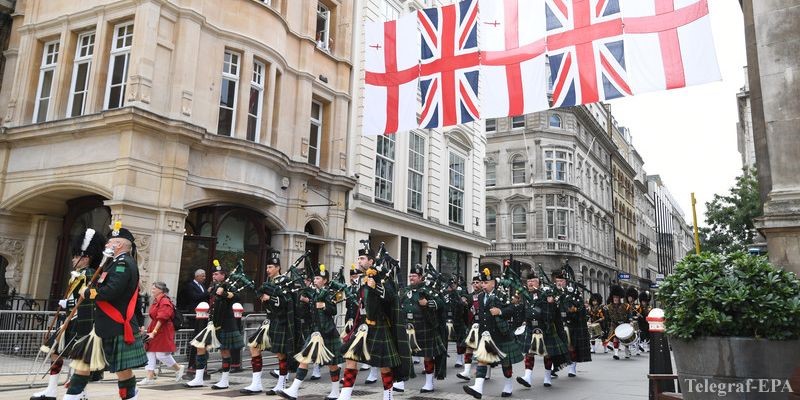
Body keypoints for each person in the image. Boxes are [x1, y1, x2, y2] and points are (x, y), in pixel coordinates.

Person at [73, 224, 147, 400]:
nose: (106, 245)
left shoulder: (123, 263)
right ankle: (73, 395)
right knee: (84, 361)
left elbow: (112, 290)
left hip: (115, 323)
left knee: (122, 369)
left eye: (109, 242)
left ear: (118, 245)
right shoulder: (113, 263)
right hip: (104, 323)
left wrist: (89, 293)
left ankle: (129, 396)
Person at [31, 228, 106, 400]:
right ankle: (51, 389)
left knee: (80, 360)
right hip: (70, 318)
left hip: (80, 321)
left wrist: (69, 303)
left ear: (85, 257)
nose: (73, 259)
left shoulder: (89, 274)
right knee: (55, 352)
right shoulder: (78, 274)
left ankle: (81, 393)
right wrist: (66, 303)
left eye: (76, 256)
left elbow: (91, 296)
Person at [338, 244, 412, 400]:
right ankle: (344, 396)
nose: (359, 261)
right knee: (350, 358)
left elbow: (392, 296)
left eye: (362, 258)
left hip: (379, 325)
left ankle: (388, 396)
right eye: (358, 258)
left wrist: (377, 286)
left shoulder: (382, 274)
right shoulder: (362, 277)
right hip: (363, 325)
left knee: (384, 365)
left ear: (371, 261)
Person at [278, 264, 343, 400]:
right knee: (305, 359)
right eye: (315, 278)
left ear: (325, 280)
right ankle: (294, 390)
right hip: (315, 332)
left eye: (318, 278)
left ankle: (336, 392)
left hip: (327, 332)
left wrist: (325, 306)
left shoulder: (330, 292)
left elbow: (334, 310)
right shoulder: (313, 293)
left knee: (332, 364)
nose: (315, 280)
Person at [240, 250, 296, 395]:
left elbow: (286, 302)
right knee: (254, 347)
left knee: (281, 354)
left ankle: (281, 384)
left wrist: (269, 298)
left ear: (278, 267)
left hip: (280, 321)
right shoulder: (267, 283)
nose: (268, 270)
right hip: (269, 320)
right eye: (267, 267)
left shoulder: (286, 281)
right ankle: (256, 383)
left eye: (270, 267)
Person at [463, 268, 522, 399]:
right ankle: (478, 388)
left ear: (493, 283)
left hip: (501, 334)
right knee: (482, 360)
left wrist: (500, 312)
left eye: (486, 283)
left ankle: (508, 385)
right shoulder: (480, 296)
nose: (483, 285)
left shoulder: (501, 295)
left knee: (506, 363)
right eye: (482, 283)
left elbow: (512, 309)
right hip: (486, 335)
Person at [185, 261, 244, 389]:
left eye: (216, 274)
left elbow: (237, 297)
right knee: (200, 347)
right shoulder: (213, 286)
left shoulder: (228, 286)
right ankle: (199, 378)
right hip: (212, 324)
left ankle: (224, 380)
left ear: (223, 275)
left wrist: (224, 293)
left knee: (224, 351)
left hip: (225, 324)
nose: (214, 276)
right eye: (213, 273)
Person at [398, 264, 446, 393]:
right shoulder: (405, 290)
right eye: (410, 276)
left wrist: (428, 303)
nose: (411, 278)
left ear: (420, 277)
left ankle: (429, 383)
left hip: (425, 327)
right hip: (408, 328)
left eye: (414, 276)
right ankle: (401, 383)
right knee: (404, 355)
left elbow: (441, 303)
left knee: (427, 356)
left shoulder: (428, 290)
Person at [139, 282, 184, 385]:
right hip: (156, 328)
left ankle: (178, 368)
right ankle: (149, 377)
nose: (152, 289)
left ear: (160, 290)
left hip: (163, 330)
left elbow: (162, 318)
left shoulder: (165, 301)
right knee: (150, 351)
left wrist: (154, 332)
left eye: (154, 288)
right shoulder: (157, 301)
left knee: (161, 355)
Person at [553, 270, 591, 378]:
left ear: (565, 282)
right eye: (557, 281)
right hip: (556, 324)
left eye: (561, 281)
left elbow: (580, 306)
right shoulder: (552, 292)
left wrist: (573, 310)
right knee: (555, 348)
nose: (559, 283)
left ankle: (572, 367)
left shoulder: (572, 293)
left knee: (571, 347)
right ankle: (553, 368)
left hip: (570, 324)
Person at [180, 269, 207, 375]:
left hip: (203, 315)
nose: (204, 278)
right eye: (203, 276)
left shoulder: (202, 286)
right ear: (197, 276)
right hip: (194, 315)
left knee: (201, 338)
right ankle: (190, 356)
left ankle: (198, 360)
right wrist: (206, 293)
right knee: (193, 336)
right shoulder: (190, 285)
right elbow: (194, 297)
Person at [605, 284, 633, 360]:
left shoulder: (626, 306)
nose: (615, 299)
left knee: (626, 339)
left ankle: (627, 351)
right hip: (614, 324)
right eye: (614, 297)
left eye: (617, 297)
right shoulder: (609, 307)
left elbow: (630, 314)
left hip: (624, 324)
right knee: (615, 337)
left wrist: (630, 321)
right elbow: (607, 317)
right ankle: (616, 353)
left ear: (620, 298)